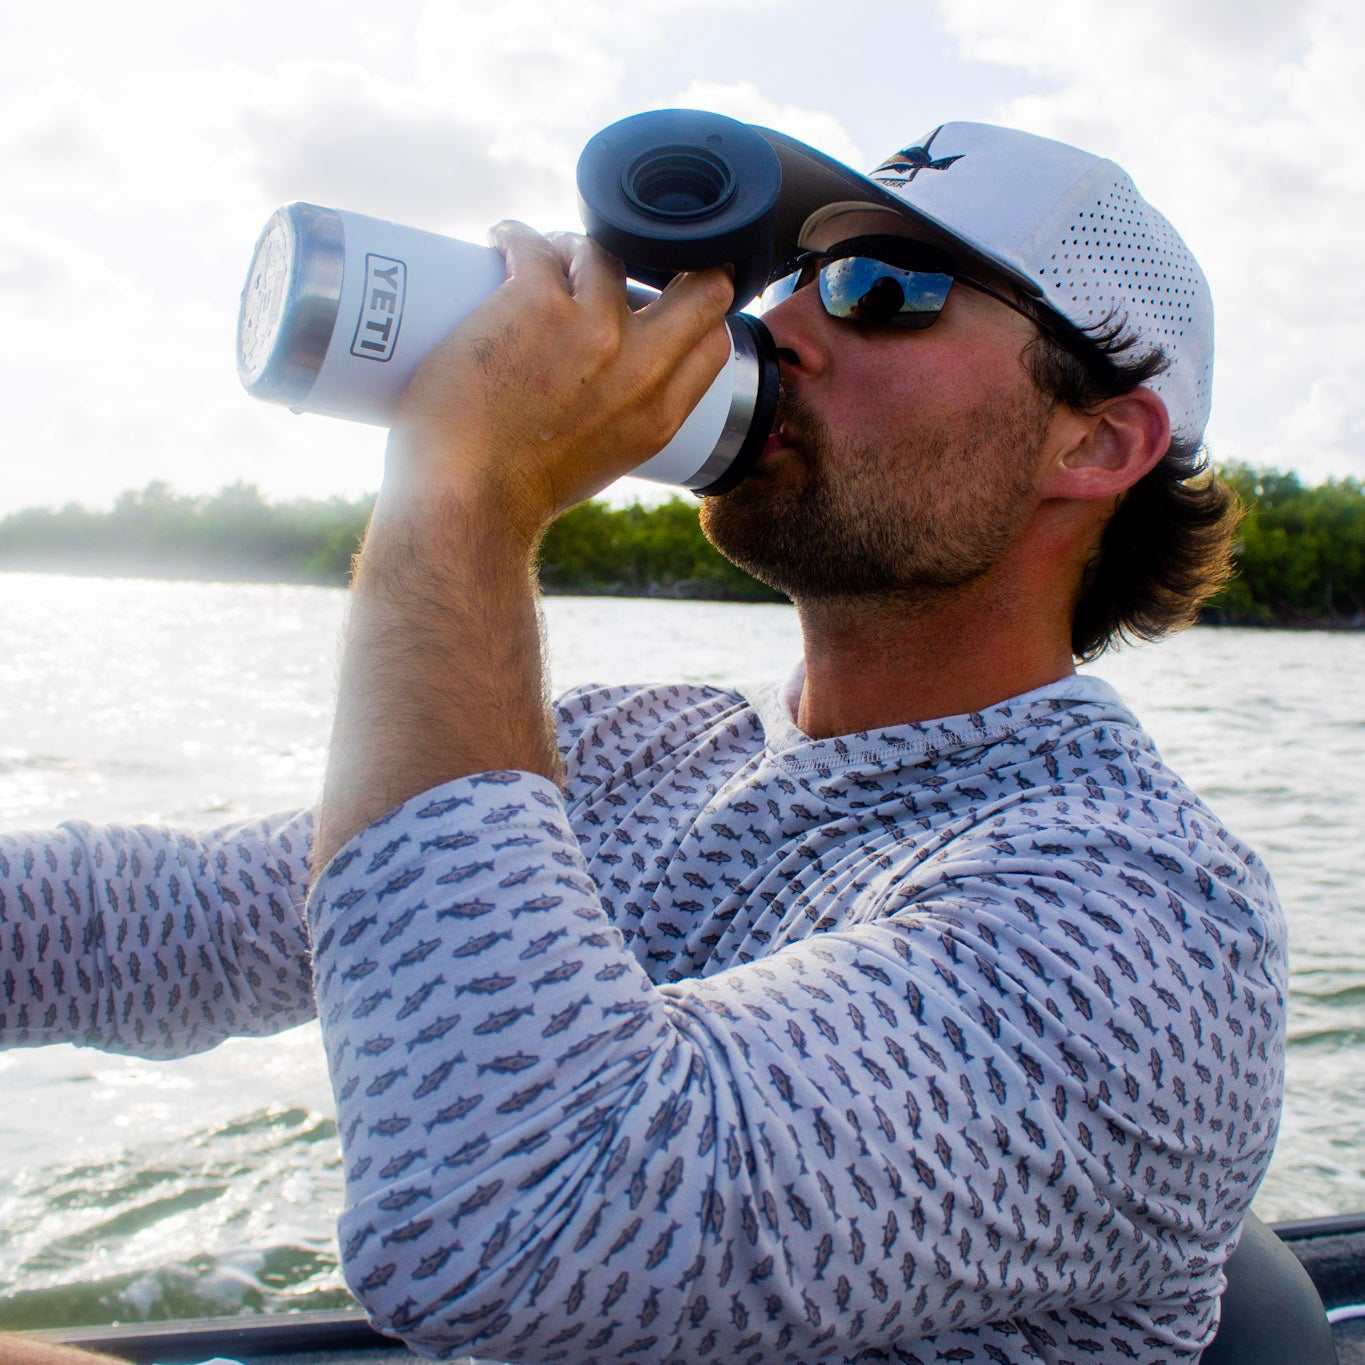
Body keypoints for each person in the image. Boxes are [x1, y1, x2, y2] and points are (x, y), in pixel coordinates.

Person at [1, 121, 1285, 1365]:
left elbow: (521, 1232)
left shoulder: (1149, 923)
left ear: (1099, 440)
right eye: (792, 279)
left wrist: (465, 492)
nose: (781, 328)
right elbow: (153, 930)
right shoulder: (630, 750)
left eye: (882, 287)